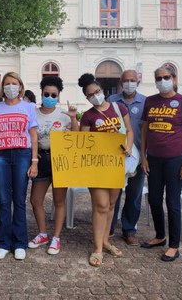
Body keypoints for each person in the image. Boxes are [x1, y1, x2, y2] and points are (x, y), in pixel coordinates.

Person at [140, 65, 182, 262]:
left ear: (173, 78)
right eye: (158, 78)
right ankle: (159, 236)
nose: (162, 81)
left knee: (172, 202)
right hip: (154, 158)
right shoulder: (150, 101)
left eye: (165, 77)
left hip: (176, 158)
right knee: (154, 199)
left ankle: (174, 245)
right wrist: (143, 156)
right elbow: (145, 130)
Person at [78, 73, 133, 267]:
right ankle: (97, 248)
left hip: (116, 164)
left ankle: (106, 241)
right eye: (91, 94)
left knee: (111, 204)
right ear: (87, 98)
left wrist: (128, 146)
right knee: (100, 205)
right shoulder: (88, 116)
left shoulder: (119, 108)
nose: (96, 96)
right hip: (97, 166)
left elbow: (129, 131)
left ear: (103, 90)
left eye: (97, 91)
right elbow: (83, 143)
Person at [0, 72, 38, 260]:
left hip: (23, 154)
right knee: (4, 200)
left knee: (19, 200)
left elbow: (33, 135)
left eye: (14, 83)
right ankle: (4, 242)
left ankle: (20, 242)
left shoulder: (29, 107)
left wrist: (34, 162)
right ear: (2, 88)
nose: (10, 87)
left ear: (20, 86)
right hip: (1, 156)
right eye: (7, 84)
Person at [28, 76, 79, 255]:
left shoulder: (64, 114)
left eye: (53, 94)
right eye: (46, 93)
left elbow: (77, 135)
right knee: (35, 200)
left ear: (58, 96)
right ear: (41, 94)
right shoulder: (32, 112)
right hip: (40, 159)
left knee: (59, 201)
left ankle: (56, 238)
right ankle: (42, 234)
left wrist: (73, 119)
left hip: (60, 160)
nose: (49, 96)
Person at [108, 70, 146, 246]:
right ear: (120, 82)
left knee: (134, 194)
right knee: (113, 193)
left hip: (138, 157)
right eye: (126, 80)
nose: (129, 83)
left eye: (132, 80)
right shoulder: (112, 101)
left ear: (137, 81)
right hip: (115, 156)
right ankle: (108, 227)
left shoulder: (146, 102)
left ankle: (129, 229)